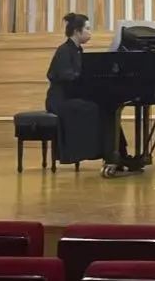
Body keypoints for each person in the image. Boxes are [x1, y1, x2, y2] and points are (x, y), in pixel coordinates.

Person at [45, 12, 140, 175]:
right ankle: (108, 154)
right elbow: (63, 77)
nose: (90, 32)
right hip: (60, 101)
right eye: (87, 29)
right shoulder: (64, 50)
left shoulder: (77, 50)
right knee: (97, 110)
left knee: (108, 110)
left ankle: (119, 153)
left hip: (71, 97)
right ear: (77, 31)